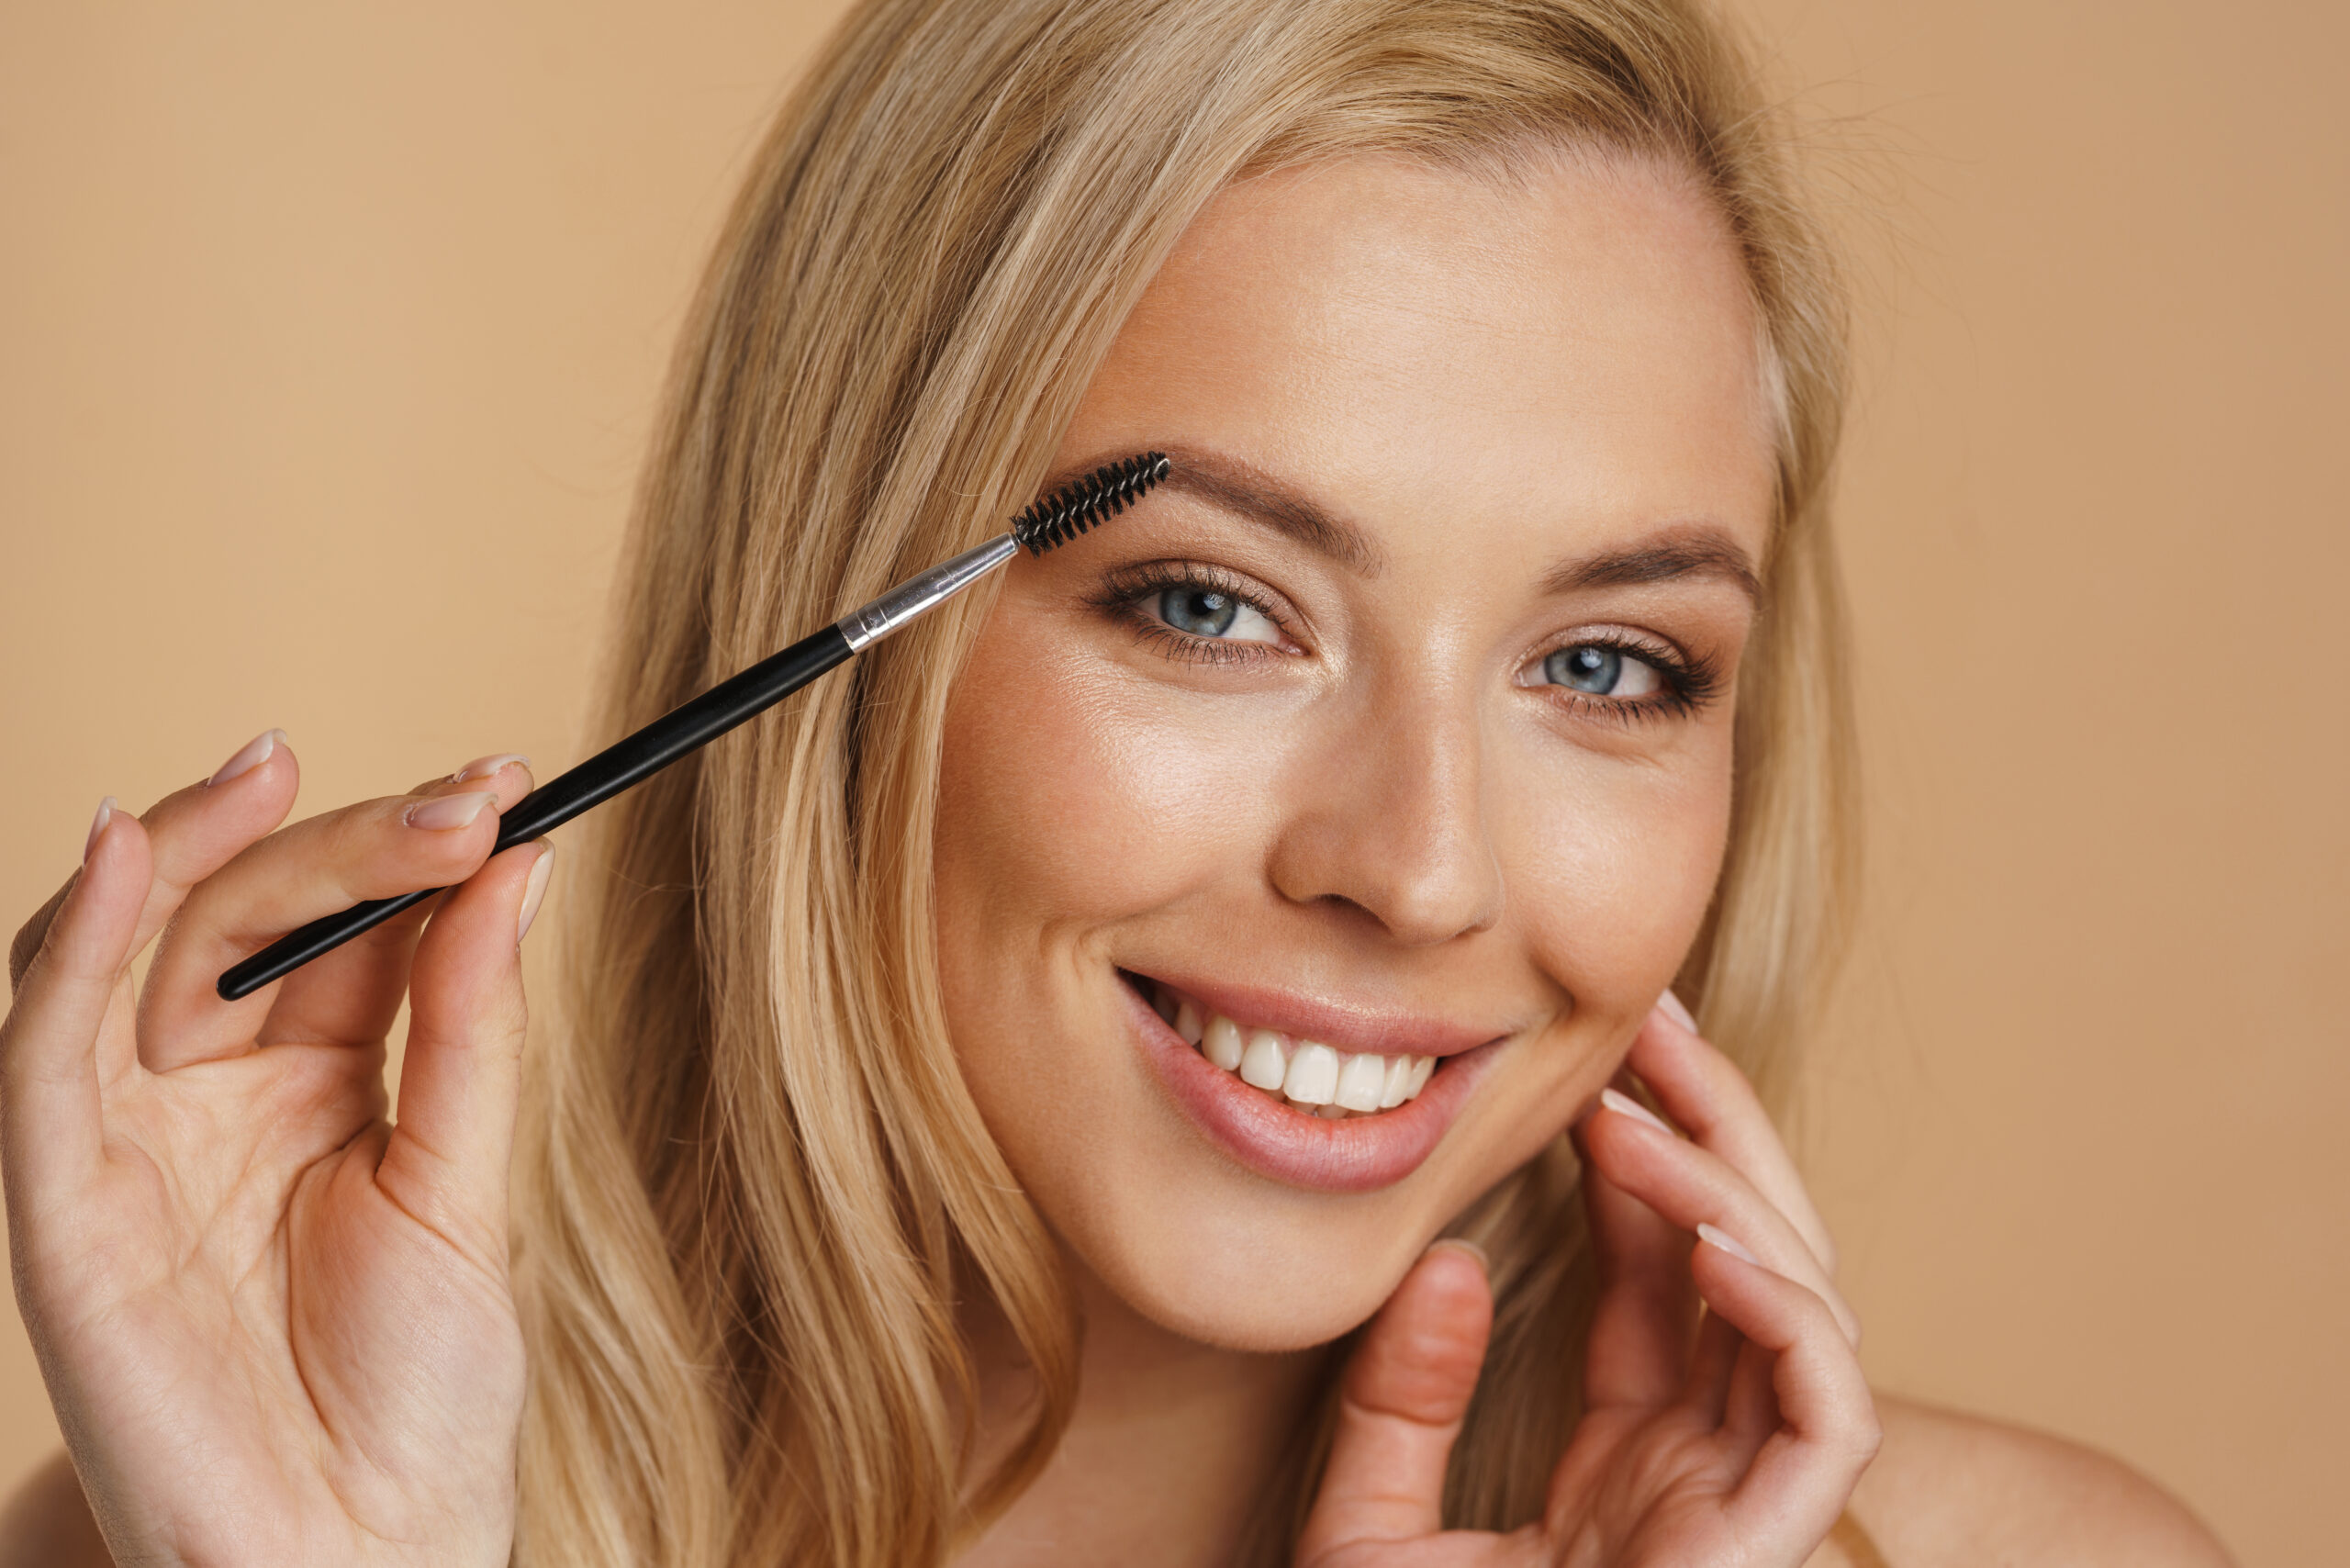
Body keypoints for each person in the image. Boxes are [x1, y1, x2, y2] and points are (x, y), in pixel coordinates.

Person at [0, 0, 2237, 1563]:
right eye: (1206, 606)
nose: (1419, 867)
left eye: (1603, 660)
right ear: (835, 624)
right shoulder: (210, 1526)